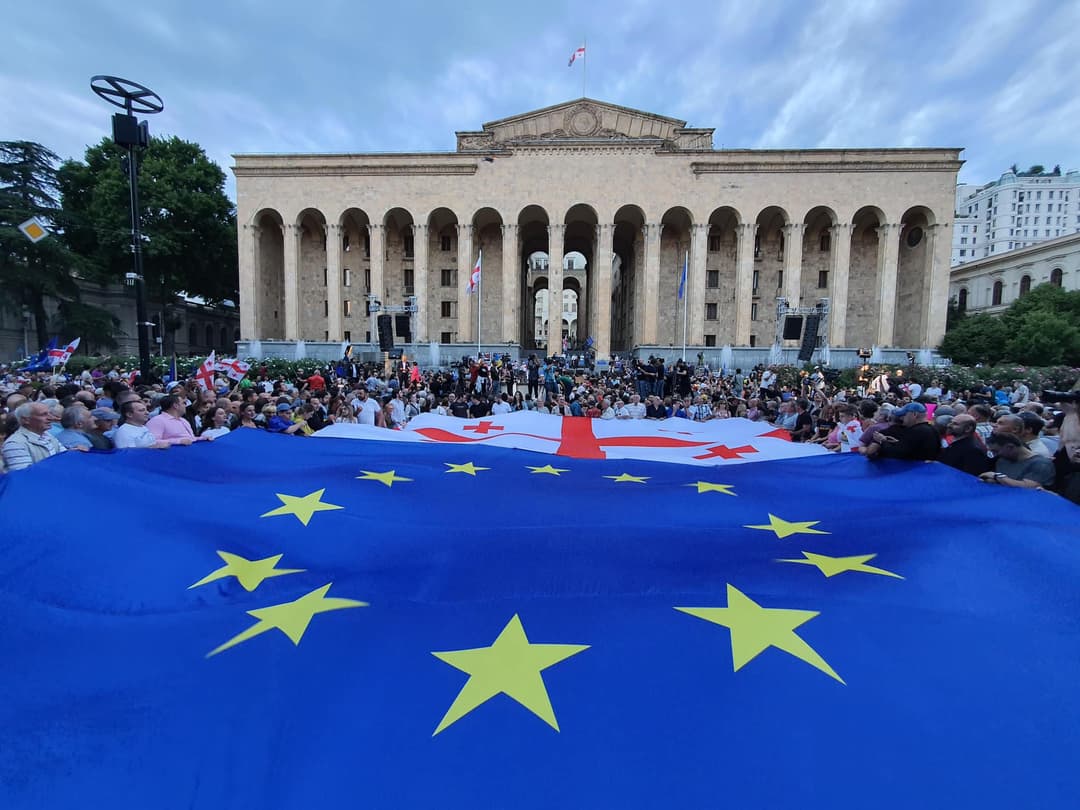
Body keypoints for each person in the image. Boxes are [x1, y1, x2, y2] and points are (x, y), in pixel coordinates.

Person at [2, 402, 68, 470]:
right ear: (25, 420)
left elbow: (66, 458)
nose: (50, 418)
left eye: (50, 414)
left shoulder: (48, 435)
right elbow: (23, 475)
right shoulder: (14, 444)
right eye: (43, 415)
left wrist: (75, 451)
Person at [865, 402, 939, 461]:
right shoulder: (933, 429)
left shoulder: (915, 431)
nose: (903, 418)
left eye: (905, 415)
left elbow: (898, 453)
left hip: (915, 472)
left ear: (914, 414)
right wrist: (896, 442)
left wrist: (882, 441)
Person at [979, 431, 1055, 489]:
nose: (995, 454)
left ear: (1010, 447)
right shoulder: (1002, 460)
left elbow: (1029, 488)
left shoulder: (1041, 464)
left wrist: (997, 477)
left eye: (996, 451)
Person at [147, 395, 213, 445]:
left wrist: (202, 438)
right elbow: (151, 442)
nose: (185, 406)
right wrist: (178, 441)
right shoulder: (157, 421)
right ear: (175, 406)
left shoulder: (184, 421)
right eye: (183, 403)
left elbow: (190, 439)